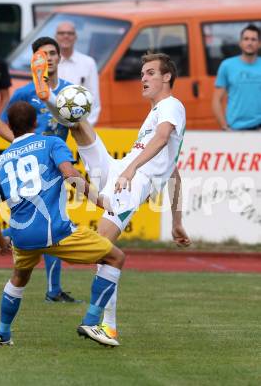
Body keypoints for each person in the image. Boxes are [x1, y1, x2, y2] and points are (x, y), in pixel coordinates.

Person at [41, 52, 190, 339]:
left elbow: (161, 140)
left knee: (101, 245)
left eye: (149, 73)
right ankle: (49, 96)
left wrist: (131, 170)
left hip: (133, 179)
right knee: (77, 123)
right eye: (142, 73)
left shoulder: (172, 105)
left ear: (167, 77)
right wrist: (177, 221)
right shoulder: (158, 110)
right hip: (119, 168)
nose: (142, 78)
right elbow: (173, 170)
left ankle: (104, 324)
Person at [0, 100, 124, 347]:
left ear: (10, 128)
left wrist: (1, 242)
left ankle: (3, 334)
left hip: (22, 237)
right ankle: (91, 320)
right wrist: (100, 201)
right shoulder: (51, 143)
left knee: (19, 278)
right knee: (115, 257)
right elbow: (70, 175)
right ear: (36, 123)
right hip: (56, 232)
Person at [0, 37, 81, 303]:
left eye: (52, 53)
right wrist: (25, 147)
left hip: (55, 162)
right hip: (35, 166)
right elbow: (1, 126)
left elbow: (79, 125)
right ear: (34, 60)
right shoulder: (25, 93)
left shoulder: (70, 93)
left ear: (60, 58)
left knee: (46, 222)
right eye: (41, 54)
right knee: (47, 222)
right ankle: (53, 290)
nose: (47, 58)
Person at [212, 24, 261, 131]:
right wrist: (225, 127)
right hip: (235, 130)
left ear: (259, 44)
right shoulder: (227, 66)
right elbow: (216, 100)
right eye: (246, 39)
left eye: (253, 39)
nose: (249, 42)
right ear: (240, 43)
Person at [55, 21, 101, 125]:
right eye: (61, 33)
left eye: (70, 33)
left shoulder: (88, 63)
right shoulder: (49, 63)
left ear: (75, 37)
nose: (66, 36)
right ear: (56, 37)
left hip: (80, 125)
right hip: (53, 125)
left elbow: (94, 99)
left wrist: (85, 127)